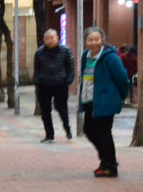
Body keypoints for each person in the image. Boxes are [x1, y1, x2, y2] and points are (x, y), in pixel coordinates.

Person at [77, 26, 130, 178]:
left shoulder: (110, 57)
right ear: (86, 41)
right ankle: (108, 158)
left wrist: (120, 97)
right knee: (88, 129)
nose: (94, 43)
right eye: (90, 40)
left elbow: (122, 79)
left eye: (96, 39)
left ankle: (109, 166)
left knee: (103, 133)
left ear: (102, 40)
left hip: (105, 102)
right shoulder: (85, 56)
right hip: (89, 100)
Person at [32, 28, 75, 142]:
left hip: (60, 84)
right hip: (44, 84)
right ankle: (49, 134)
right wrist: (36, 80)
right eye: (47, 38)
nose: (49, 40)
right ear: (44, 40)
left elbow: (70, 67)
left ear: (57, 38)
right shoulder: (39, 52)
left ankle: (67, 129)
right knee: (45, 111)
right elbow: (36, 68)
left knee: (61, 108)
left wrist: (68, 80)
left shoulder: (65, 51)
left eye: (52, 38)